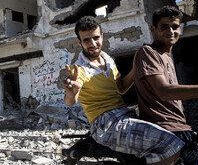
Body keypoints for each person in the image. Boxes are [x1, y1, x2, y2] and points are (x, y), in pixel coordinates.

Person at [62, 16, 184, 165]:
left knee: (177, 132)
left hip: (125, 113)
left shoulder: (108, 59)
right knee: (170, 143)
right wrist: (72, 94)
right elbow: (70, 102)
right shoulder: (79, 69)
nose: (93, 44)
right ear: (79, 42)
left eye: (95, 38)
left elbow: (121, 88)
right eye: (86, 40)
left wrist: (137, 67)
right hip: (105, 124)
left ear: (102, 36)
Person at [133, 5, 198, 164]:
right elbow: (164, 92)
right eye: (164, 27)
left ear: (180, 29)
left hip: (181, 127)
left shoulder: (167, 56)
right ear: (153, 29)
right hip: (166, 129)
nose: (171, 31)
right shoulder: (148, 52)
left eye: (174, 27)